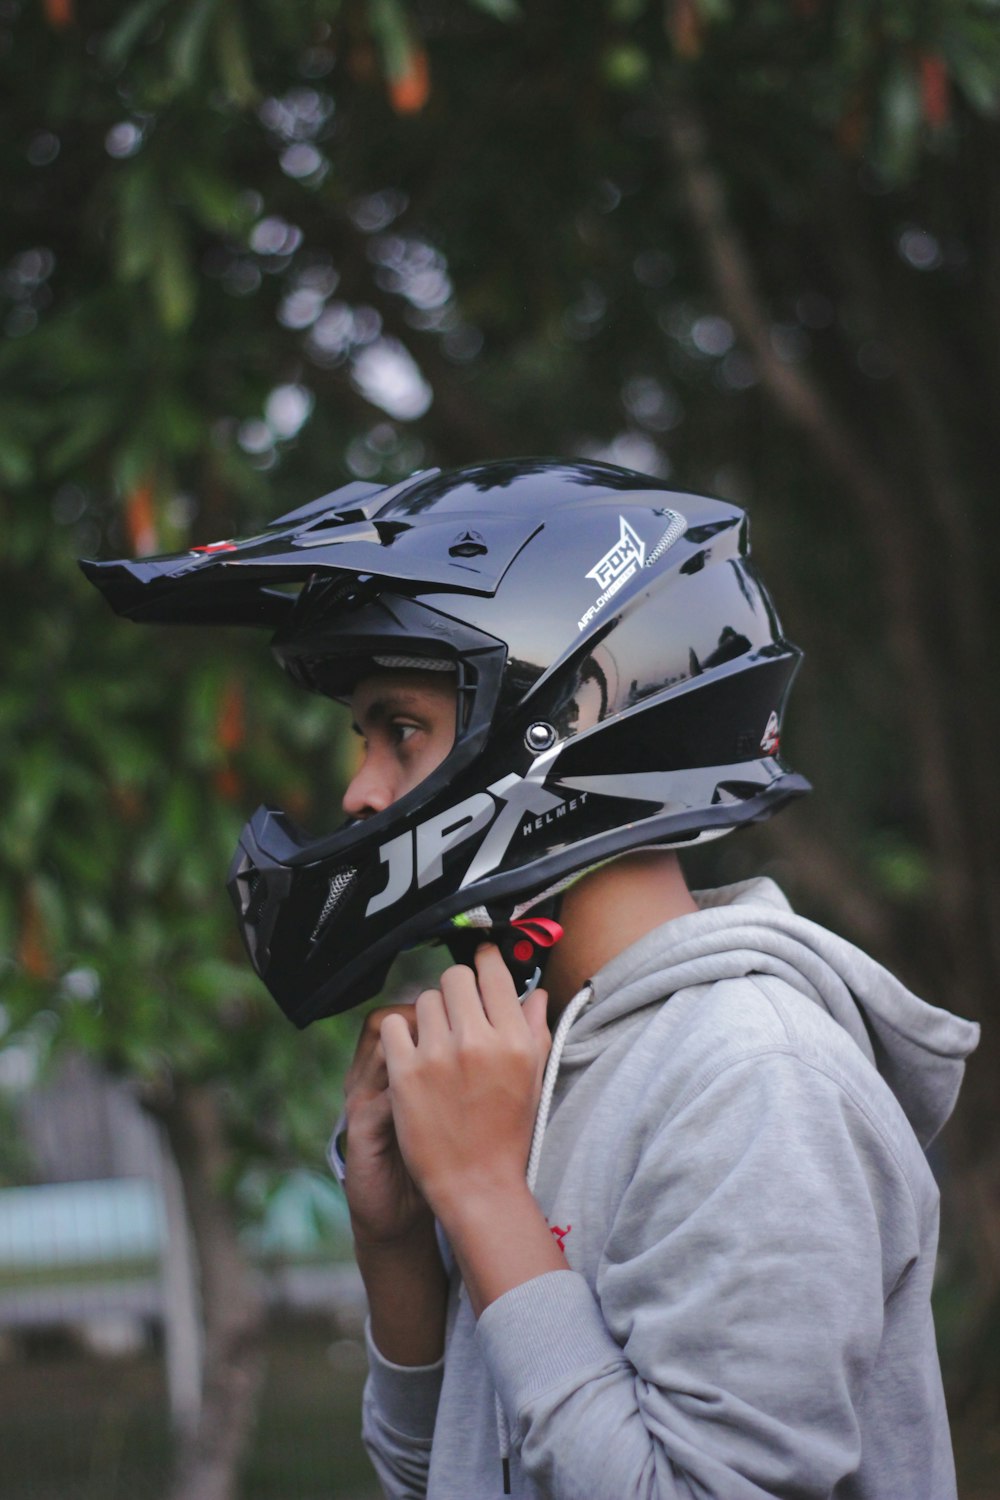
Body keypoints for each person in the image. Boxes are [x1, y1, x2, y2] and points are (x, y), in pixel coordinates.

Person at [82, 458, 979, 1499]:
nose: (359, 790)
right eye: (363, 739)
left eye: (400, 730)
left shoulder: (751, 1079)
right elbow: (443, 1472)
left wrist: (480, 1193)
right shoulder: (529, 1059)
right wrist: (400, 1245)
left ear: (560, 731)